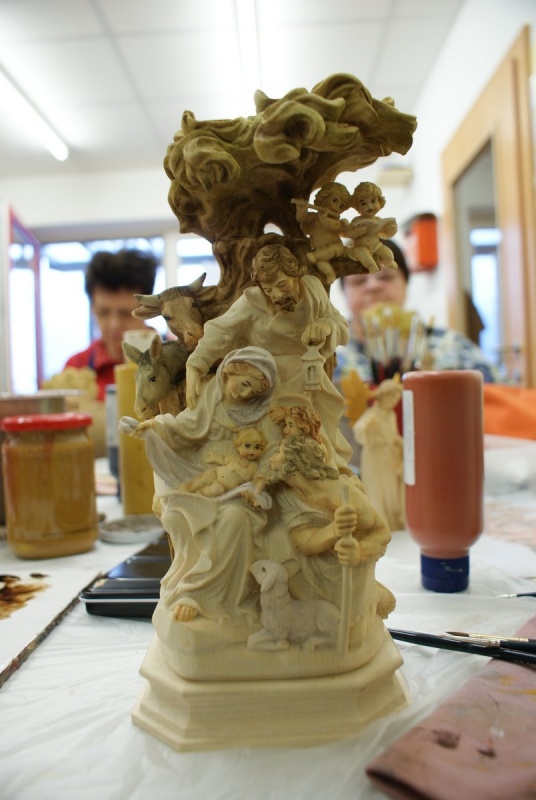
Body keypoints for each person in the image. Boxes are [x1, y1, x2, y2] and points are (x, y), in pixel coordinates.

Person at [185, 243, 353, 468]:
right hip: (267, 382)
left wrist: (327, 326)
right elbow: (221, 331)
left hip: (308, 374)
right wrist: (195, 365)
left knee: (318, 438)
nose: (276, 295)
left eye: (282, 285)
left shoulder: (312, 289)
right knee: (276, 438)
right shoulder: (252, 302)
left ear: (295, 274)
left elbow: (340, 325)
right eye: (269, 289)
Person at [334, 239, 501, 385]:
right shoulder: (329, 352)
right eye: (359, 281)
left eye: (386, 277)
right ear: (344, 292)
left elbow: (501, 395)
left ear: (406, 285)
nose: (373, 286)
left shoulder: (452, 346)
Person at [64, 249, 158, 401]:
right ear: (92, 308)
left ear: (149, 311)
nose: (114, 324)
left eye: (126, 313)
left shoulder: (177, 361)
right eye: (103, 312)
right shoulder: (76, 369)